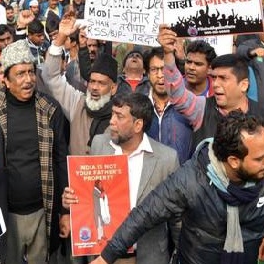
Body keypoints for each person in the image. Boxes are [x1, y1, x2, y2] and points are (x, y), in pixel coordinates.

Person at [88, 111, 264, 264]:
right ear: (234, 161)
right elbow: (145, 214)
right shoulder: (190, 180)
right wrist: (106, 256)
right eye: (259, 159)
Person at [0, 39, 70, 262]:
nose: (28, 79)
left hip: (43, 212)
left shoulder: (50, 109)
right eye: (20, 74)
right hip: (3, 213)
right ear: (6, 81)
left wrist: (65, 212)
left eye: (31, 72)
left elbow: (60, 162)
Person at [64, 92, 180, 264]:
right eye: (112, 114)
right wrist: (72, 200)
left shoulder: (167, 159)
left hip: (146, 257)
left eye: (119, 116)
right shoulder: (99, 144)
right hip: (102, 256)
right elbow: (91, 192)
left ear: (138, 125)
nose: (111, 121)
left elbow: (176, 217)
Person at [42, 11, 118, 155]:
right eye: (92, 81)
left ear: (113, 88)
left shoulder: (122, 115)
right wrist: (60, 38)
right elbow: (51, 77)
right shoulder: (78, 104)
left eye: (101, 83)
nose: (94, 87)